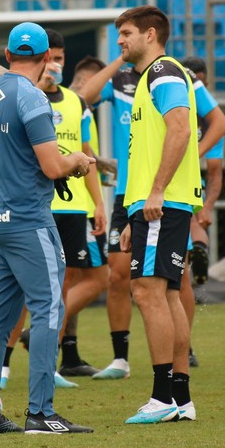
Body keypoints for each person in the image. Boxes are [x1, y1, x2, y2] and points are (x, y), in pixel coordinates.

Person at [0, 21, 95, 435]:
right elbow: (52, 166)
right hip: (29, 221)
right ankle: (41, 413)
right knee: (48, 310)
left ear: (9, 55)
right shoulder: (34, 97)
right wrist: (77, 160)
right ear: (46, 59)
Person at [115, 6, 202, 424]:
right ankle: (180, 398)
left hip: (161, 204)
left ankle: (162, 397)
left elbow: (180, 128)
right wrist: (133, 209)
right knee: (167, 294)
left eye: (126, 33)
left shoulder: (163, 71)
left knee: (147, 292)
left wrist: (155, 191)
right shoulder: (153, 76)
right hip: (155, 205)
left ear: (151, 35)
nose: (120, 41)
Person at [37, 30, 107, 379]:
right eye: (49, 59)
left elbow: (87, 156)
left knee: (70, 282)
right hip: (39, 206)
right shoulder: (27, 99)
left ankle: (55, 358)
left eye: (60, 59)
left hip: (74, 206)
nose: (55, 65)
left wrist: (99, 204)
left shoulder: (76, 105)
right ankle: (17, 358)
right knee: (41, 286)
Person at [80, 54, 138, 380]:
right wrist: (119, 61)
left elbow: (217, 122)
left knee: (174, 280)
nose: (121, 40)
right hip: (125, 194)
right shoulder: (120, 80)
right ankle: (120, 359)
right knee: (118, 276)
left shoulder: (170, 75)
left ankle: (181, 355)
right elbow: (86, 95)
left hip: (165, 194)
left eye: (127, 34)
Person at [180, 56, 225, 368]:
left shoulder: (210, 124)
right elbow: (213, 171)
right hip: (180, 192)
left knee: (175, 279)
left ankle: (182, 345)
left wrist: (208, 206)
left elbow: (214, 172)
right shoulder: (176, 112)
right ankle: (199, 248)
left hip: (182, 192)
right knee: (178, 279)